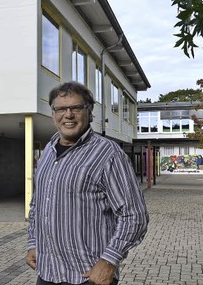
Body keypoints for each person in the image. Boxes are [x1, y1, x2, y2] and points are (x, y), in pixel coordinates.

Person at [26, 81, 148, 285]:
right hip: (47, 272)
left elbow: (134, 215)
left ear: (89, 111)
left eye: (76, 108)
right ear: (53, 113)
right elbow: (38, 204)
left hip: (88, 276)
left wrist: (109, 261)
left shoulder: (108, 154)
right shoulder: (48, 150)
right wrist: (33, 242)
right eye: (61, 109)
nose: (69, 115)